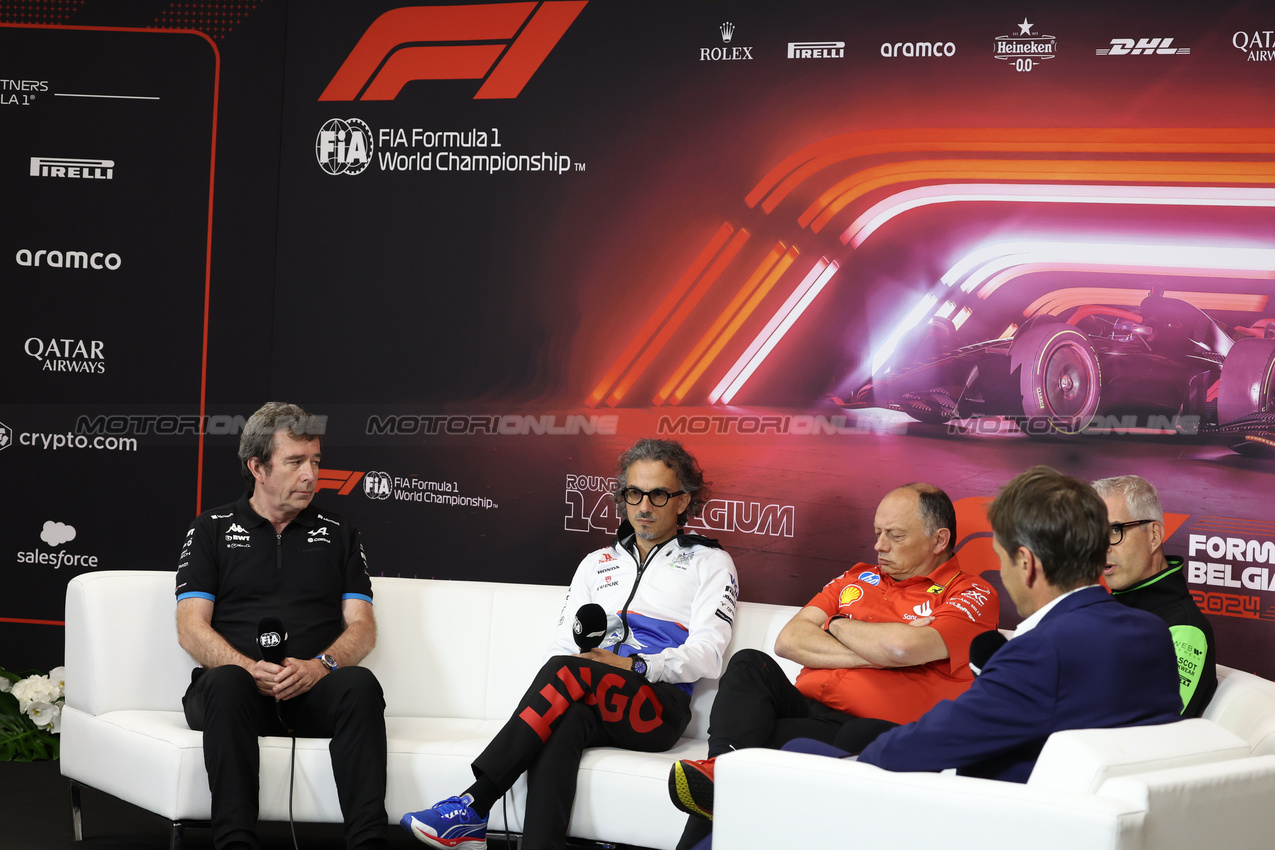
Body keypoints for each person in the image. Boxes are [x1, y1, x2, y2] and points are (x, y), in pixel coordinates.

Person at [401, 438, 738, 850]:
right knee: (563, 721)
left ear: (683, 501)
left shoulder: (710, 562)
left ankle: (475, 802)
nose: (644, 506)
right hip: (592, 695)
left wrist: (636, 666)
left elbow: (709, 654)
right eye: (634, 493)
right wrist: (582, 677)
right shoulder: (596, 564)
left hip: (657, 706)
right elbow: (561, 647)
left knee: (569, 673)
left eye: (658, 494)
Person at [668, 484, 998, 846]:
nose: (879, 546)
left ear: (939, 540)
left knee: (746, 767)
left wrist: (835, 625)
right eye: (877, 533)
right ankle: (720, 769)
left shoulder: (971, 594)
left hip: (869, 731)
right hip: (808, 709)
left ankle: (725, 777)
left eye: (895, 535)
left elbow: (904, 649)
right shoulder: (857, 577)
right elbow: (789, 640)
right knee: (750, 664)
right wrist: (870, 646)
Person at [853, 466, 1181, 781]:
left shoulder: (1039, 653)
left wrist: (853, 762)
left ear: (1026, 563)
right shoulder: (1151, 632)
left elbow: (918, 748)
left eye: (1001, 557)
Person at [175, 402, 387, 850]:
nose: (311, 475)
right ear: (258, 467)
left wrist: (319, 666)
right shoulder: (211, 529)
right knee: (227, 682)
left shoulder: (340, 532)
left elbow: (363, 627)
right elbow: (191, 627)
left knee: (360, 685)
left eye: (315, 462)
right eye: (295, 462)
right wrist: (248, 667)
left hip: (310, 690)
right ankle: (236, 845)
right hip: (233, 695)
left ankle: (368, 844)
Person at [1092, 474, 1217, 717]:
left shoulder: (1184, 628)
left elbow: (1151, 731)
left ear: (1154, 536)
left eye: (1114, 530)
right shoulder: (1099, 612)